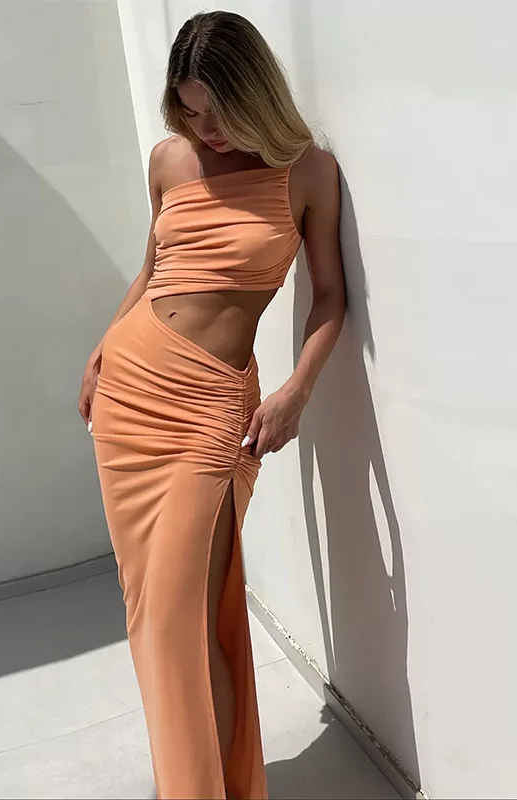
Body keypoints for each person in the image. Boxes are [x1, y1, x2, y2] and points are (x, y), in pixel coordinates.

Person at [78, 10, 345, 799]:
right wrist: (102, 346)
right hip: (129, 392)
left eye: (219, 110)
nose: (207, 129)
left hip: (209, 409)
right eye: (191, 111)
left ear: (255, 92)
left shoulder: (307, 173)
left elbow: (330, 298)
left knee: (183, 624)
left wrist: (296, 390)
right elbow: (154, 269)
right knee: (156, 624)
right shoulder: (169, 160)